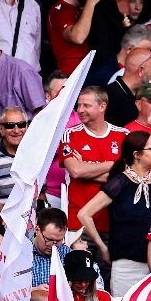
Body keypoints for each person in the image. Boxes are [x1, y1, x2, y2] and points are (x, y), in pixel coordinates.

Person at [79, 130, 151, 297]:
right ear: (137, 155)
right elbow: (84, 214)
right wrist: (102, 247)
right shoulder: (119, 183)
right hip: (127, 266)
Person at [60, 86, 127, 232]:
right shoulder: (69, 135)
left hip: (115, 223)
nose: (80, 110)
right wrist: (113, 165)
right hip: (79, 224)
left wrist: (86, 169)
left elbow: (130, 176)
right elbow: (76, 171)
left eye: (86, 105)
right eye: (79, 105)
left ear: (102, 106)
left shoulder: (123, 135)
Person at [46, 0, 102, 78]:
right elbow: (78, 37)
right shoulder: (59, 9)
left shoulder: (79, 10)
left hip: (87, 73)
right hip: (69, 76)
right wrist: (91, 1)